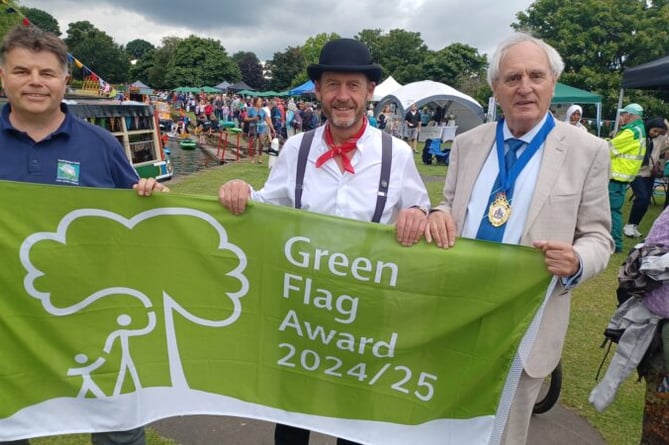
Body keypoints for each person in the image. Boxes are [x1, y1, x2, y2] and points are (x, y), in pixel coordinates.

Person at [218, 37, 429, 445]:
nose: (343, 96)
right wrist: (240, 189)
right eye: (333, 85)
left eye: (353, 86)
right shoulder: (296, 150)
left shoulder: (396, 154)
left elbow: (420, 208)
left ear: (370, 91)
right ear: (319, 91)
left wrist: (421, 214)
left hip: (365, 313)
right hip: (302, 309)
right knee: (292, 413)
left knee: (355, 418)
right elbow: (266, 202)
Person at [424, 32, 613, 445]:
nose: (524, 87)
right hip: (458, 320)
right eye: (512, 78)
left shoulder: (588, 151)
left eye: (535, 76)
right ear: (496, 88)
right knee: (440, 429)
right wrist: (438, 215)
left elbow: (600, 236)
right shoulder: (467, 144)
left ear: (552, 82)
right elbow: (450, 205)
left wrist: (579, 259)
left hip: (525, 330)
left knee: (502, 436)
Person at [0, 24, 168, 445]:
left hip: (92, 315)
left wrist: (155, 198)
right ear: (3, 76)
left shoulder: (101, 145)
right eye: (22, 71)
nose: (35, 82)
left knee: (119, 431)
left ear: (64, 80)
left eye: (46, 73)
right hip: (6, 319)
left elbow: (135, 222)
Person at [609, 103, 647, 252]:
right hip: (623, 176)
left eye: (623, 114)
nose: (621, 117)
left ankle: (615, 244)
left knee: (612, 211)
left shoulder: (631, 132)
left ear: (629, 115)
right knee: (613, 210)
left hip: (617, 176)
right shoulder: (638, 129)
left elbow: (610, 148)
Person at [624, 118, 668, 238]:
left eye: (659, 132)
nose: (656, 133)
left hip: (650, 173)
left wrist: (666, 125)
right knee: (642, 197)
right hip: (637, 172)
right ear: (649, 127)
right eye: (654, 130)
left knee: (646, 200)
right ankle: (629, 225)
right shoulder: (640, 136)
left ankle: (634, 225)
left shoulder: (661, 139)